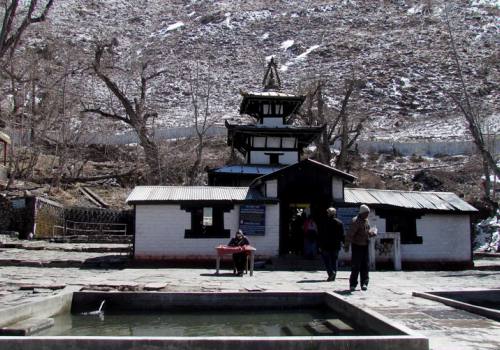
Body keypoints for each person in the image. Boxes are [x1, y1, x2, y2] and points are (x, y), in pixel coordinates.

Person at [344, 204, 377, 291]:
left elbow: (367, 232)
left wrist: (372, 233)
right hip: (357, 246)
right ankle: (353, 284)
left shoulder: (366, 221)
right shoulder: (356, 221)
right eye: (366, 213)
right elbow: (350, 234)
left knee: (365, 266)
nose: (367, 215)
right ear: (362, 213)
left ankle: (364, 283)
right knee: (356, 266)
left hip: (365, 245)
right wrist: (346, 245)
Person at [318, 207, 345, 282]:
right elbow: (342, 235)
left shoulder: (324, 222)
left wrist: (320, 244)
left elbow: (321, 234)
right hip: (336, 245)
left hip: (325, 244)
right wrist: (344, 243)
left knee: (327, 260)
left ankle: (331, 273)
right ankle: (333, 274)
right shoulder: (339, 223)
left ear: (328, 214)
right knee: (334, 260)